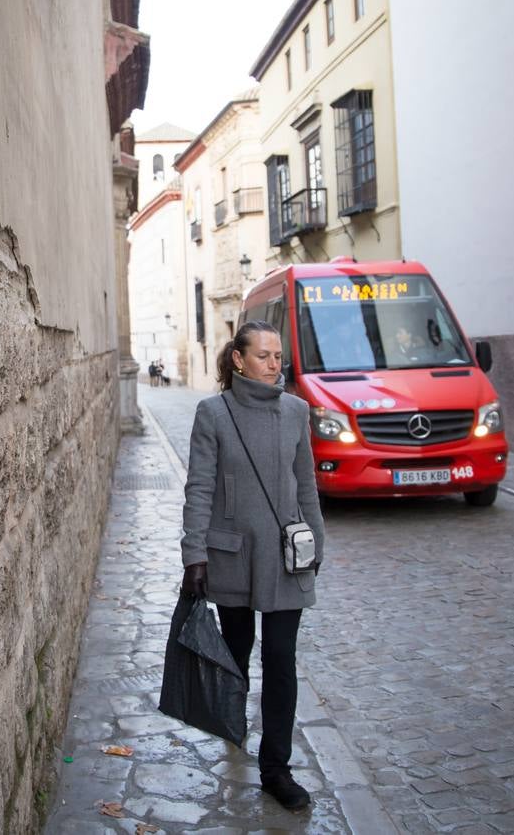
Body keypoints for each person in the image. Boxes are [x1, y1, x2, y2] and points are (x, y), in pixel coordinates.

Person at [180, 320, 326, 812]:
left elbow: (305, 486)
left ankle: (276, 769)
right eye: (263, 355)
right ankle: (233, 726)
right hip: (233, 557)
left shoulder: (296, 411)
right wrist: (194, 554)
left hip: (286, 558)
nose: (273, 364)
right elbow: (199, 488)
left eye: (278, 356)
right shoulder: (213, 413)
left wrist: (317, 546)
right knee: (237, 655)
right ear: (239, 359)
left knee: (280, 661)